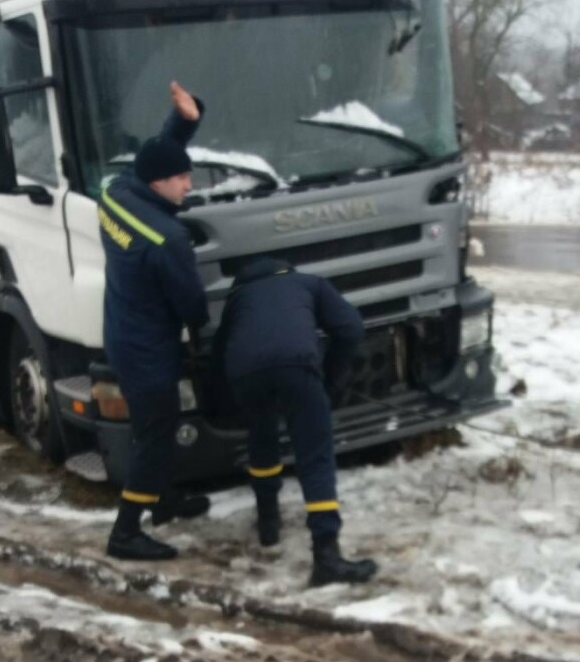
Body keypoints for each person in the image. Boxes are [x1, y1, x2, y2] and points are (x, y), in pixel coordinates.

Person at [212, 256, 378, 587]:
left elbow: (219, 350)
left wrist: (228, 395)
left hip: (244, 372)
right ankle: (326, 555)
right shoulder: (309, 283)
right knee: (314, 454)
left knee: (262, 436)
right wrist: (330, 378)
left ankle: (268, 524)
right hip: (297, 366)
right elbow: (351, 328)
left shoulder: (238, 297)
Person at [99, 81, 211, 561]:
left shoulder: (115, 193)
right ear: (159, 184)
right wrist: (205, 339)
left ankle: (164, 501)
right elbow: (192, 304)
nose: (189, 185)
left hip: (122, 333)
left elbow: (154, 157)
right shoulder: (167, 238)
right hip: (149, 350)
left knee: (157, 427)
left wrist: (182, 124)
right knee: (154, 434)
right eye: (182, 179)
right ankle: (126, 531)